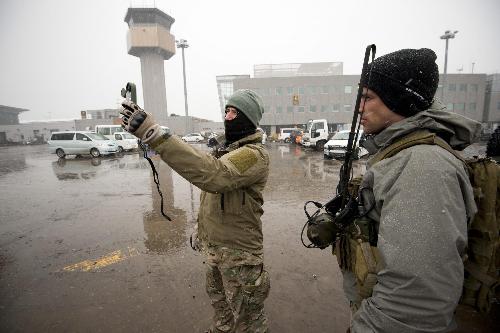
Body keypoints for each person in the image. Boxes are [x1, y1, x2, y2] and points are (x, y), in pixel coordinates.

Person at [338, 48, 480, 332]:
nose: (359, 108)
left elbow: (415, 300)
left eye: (367, 97)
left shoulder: (422, 165)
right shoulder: (398, 155)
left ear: (399, 100)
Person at [120, 89, 270, 333]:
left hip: (240, 254)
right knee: (221, 308)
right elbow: (209, 199)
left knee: (248, 320)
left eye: (235, 112)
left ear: (250, 119)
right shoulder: (225, 152)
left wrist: (155, 134)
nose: (228, 116)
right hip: (214, 249)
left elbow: (214, 176)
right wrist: (201, 232)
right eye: (227, 111)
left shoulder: (254, 156)